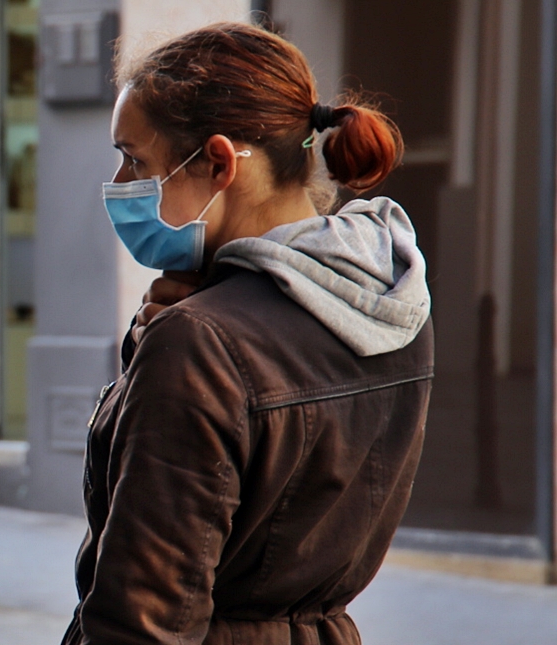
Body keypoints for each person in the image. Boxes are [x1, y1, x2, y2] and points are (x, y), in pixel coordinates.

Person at [63, 23, 433, 645]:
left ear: (216, 162)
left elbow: (143, 621)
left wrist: (166, 348)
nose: (121, 183)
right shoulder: (393, 300)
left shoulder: (198, 342)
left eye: (136, 158)